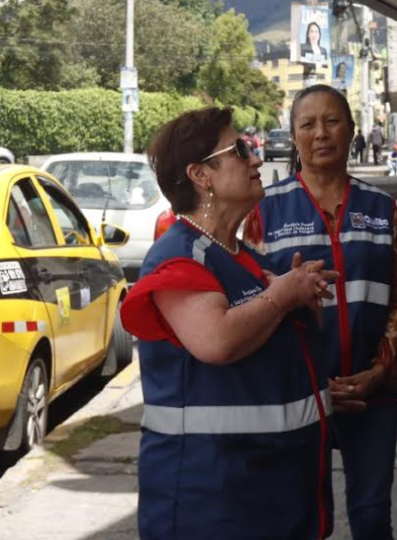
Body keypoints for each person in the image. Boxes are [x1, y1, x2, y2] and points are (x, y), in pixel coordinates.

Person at [121, 106, 339, 540]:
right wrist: (282, 296)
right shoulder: (179, 256)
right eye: (241, 149)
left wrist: (301, 305)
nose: (256, 158)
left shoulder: (246, 261)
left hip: (274, 497)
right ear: (201, 175)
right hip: (214, 503)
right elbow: (215, 341)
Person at [245, 85, 397, 540]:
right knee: (302, 519)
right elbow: (254, 308)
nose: (321, 133)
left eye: (332, 121)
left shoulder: (382, 210)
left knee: (373, 515)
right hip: (301, 398)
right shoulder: (266, 211)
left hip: (370, 396)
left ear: (352, 130)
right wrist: (311, 385)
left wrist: (380, 370)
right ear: (295, 136)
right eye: (308, 124)